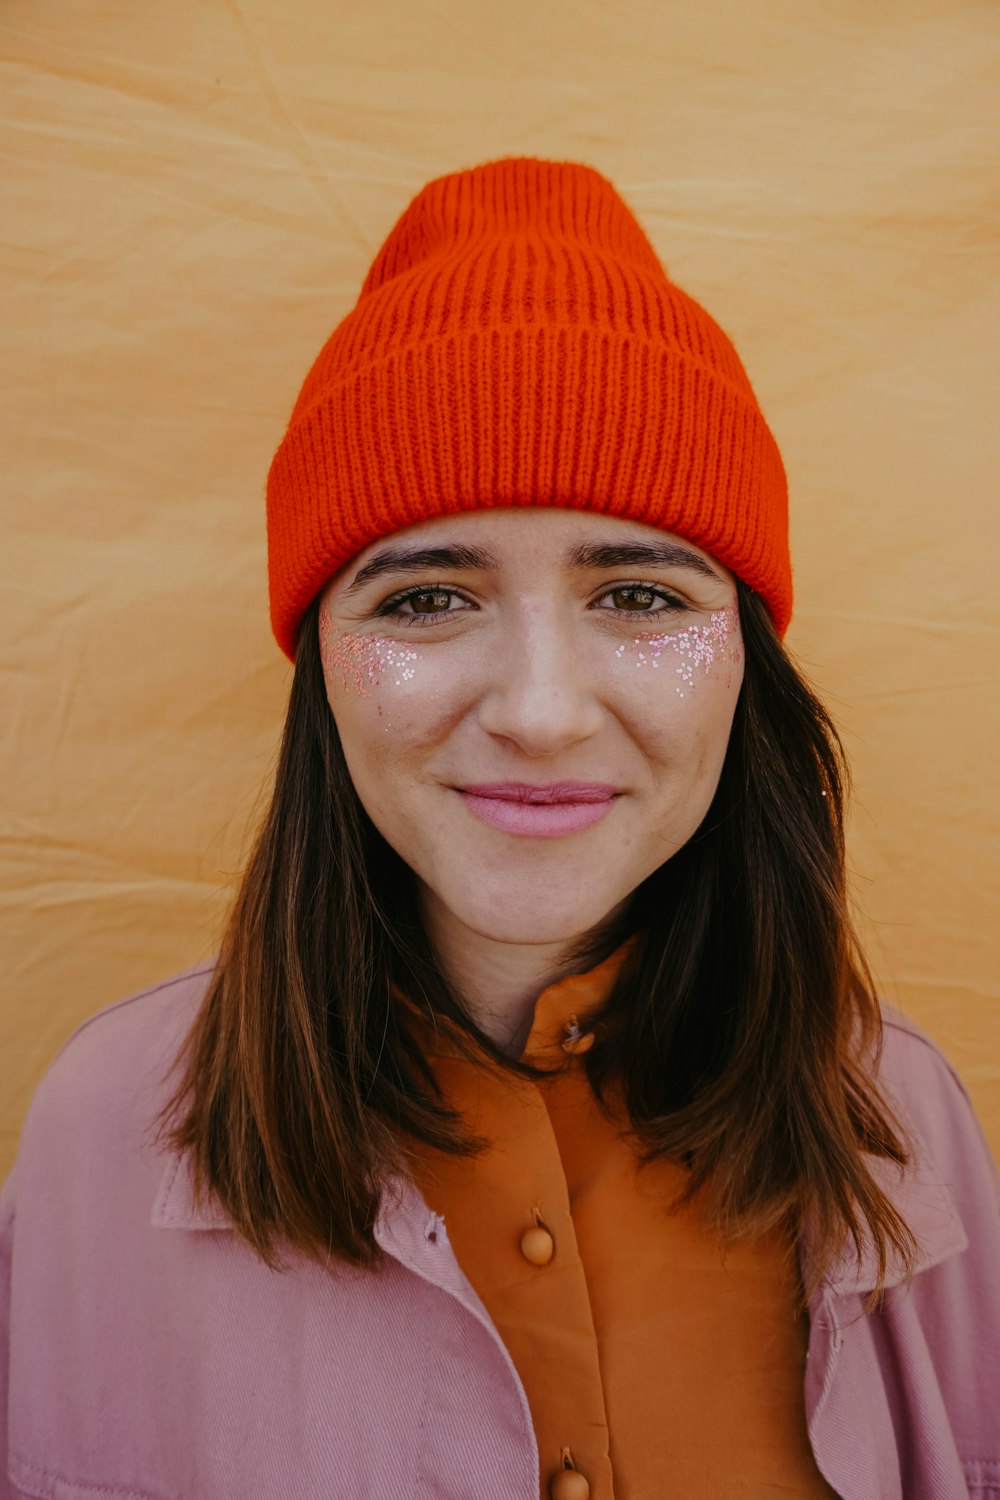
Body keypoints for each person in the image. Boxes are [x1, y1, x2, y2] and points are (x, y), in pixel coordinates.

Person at [1, 155, 997, 1500]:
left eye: (640, 596)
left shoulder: (902, 1125)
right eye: (424, 601)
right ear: (321, 665)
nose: (539, 712)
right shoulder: (102, 1135)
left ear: (743, 659)